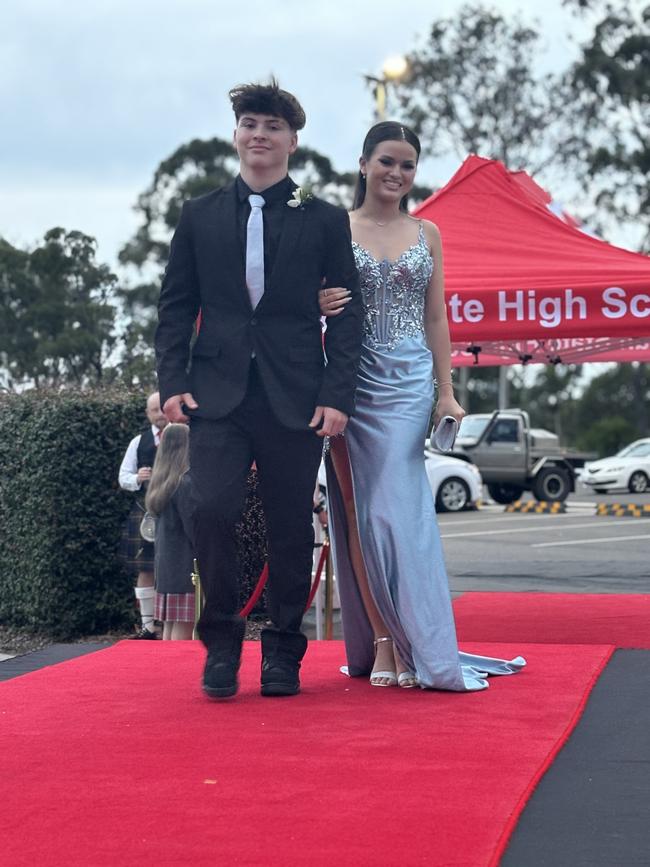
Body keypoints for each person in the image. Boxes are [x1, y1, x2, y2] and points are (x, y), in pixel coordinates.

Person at [155, 80, 363, 698]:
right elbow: (175, 306)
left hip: (297, 396)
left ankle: (283, 652)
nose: (259, 135)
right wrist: (172, 381)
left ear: (292, 141)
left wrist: (336, 395)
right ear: (237, 134)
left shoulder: (324, 218)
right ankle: (221, 643)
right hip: (215, 395)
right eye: (250, 123)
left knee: (290, 527)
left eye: (272, 125)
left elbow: (347, 316)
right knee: (209, 508)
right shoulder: (199, 215)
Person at [319, 122, 525, 690]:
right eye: (387, 161)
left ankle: (420, 643)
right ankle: (385, 641)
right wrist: (316, 299)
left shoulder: (427, 231)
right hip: (352, 383)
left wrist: (447, 391)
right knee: (363, 514)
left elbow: (437, 318)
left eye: (407, 165)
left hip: (410, 384)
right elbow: (298, 300)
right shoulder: (334, 228)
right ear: (363, 164)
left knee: (400, 513)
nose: (396, 173)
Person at [118, 391, 167, 639]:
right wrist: (137, 478)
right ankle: (148, 626)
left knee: (181, 567)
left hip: (179, 512)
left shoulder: (185, 436)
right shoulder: (139, 442)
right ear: (148, 414)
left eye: (163, 408)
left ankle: (174, 624)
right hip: (146, 513)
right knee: (146, 568)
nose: (160, 414)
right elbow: (123, 477)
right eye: (155, 410)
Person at [145, 423, 195, 640]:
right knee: (184, 628)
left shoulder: (161, 483)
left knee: (169, 627)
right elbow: (193, 528)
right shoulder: (184, 483)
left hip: (167, 567)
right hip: (185, 567)